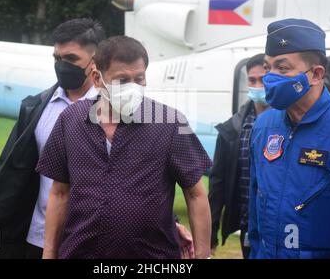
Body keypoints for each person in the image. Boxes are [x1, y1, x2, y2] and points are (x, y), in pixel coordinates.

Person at [0, 19, 195, 259]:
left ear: (95, 62)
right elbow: (9, 169)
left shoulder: (128, 106)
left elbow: (145, 175)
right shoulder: (37, 108)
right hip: (39, 237)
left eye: (71, 59)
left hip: (94, 243)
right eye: (57, 59)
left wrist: (171, 222)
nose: (62, 66)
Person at [37, 36, 212, 259]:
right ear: (97, 78)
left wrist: (203, 255)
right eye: (122, 81)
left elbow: (196, 195)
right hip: (80, 252)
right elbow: (59, 193)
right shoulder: (70, 120)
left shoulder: (171, 123)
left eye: (139, 79)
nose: (132, 88)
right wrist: (49, 254)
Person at [248, 18, 330, 258]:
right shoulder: (263, 126)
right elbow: (255, 210)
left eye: (282, 68)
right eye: (267, 67)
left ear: (316, 74)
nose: (270, 77)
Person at [209, 53, 269, 259]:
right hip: (248, 226)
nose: (258, 85)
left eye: (264, 79)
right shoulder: (234, 128)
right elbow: (217, 183)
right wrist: (211, 234)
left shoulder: (291, 122)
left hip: (282, 225)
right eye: (252, 80)